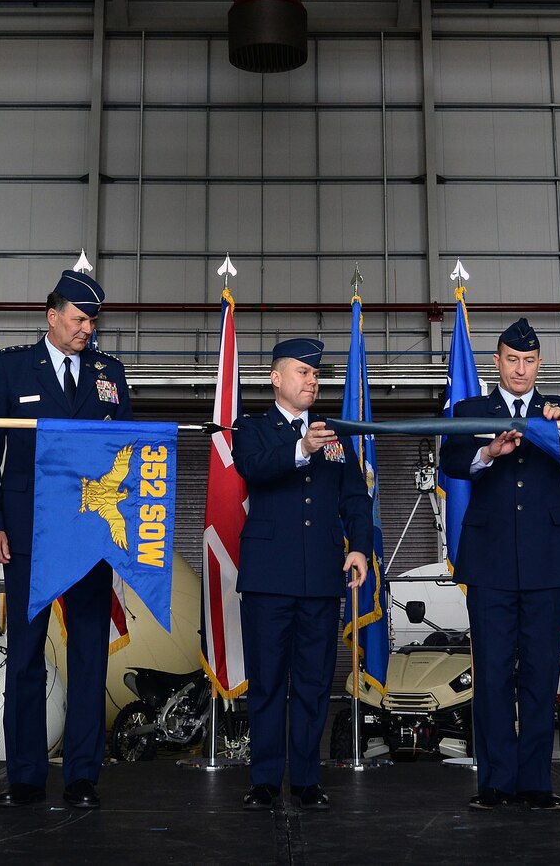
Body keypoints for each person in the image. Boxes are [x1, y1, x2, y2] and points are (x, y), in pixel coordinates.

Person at [0, 269, 131, 809]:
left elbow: (126, 455)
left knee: (90, 653)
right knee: (24, 656)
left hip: (90, 533)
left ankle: (84, 774)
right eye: (79, 319)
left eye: (93, 321)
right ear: (53, 316)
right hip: (26, 534)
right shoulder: (11, 367)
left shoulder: (111, 374)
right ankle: (24, 776)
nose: (88, 329)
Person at [440, 318, 560, 810]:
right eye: (512, 360)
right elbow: (452, 462)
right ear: (497, 362)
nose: (520, 369)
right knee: (491, 674)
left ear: (539, 364)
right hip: (490, 560)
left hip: (547, 560)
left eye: (529, 361)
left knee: (539, 675)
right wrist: (489, 450)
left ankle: (535, 783)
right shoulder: (472, 409)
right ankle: (493, 784)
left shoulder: (559, 409)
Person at [233, 338, 374, 811]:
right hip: (268, 578)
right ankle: (266, 780)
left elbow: (356, 498)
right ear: (276, 378)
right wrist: (300, 446)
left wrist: (360, 549)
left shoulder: (336, 434)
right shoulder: (252, 428)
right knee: (268, 682)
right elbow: (255, 469)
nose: (312, 381)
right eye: (302, 372)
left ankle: (309, 780)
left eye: (316, 375)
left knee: (314, 683)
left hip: (320, 578)